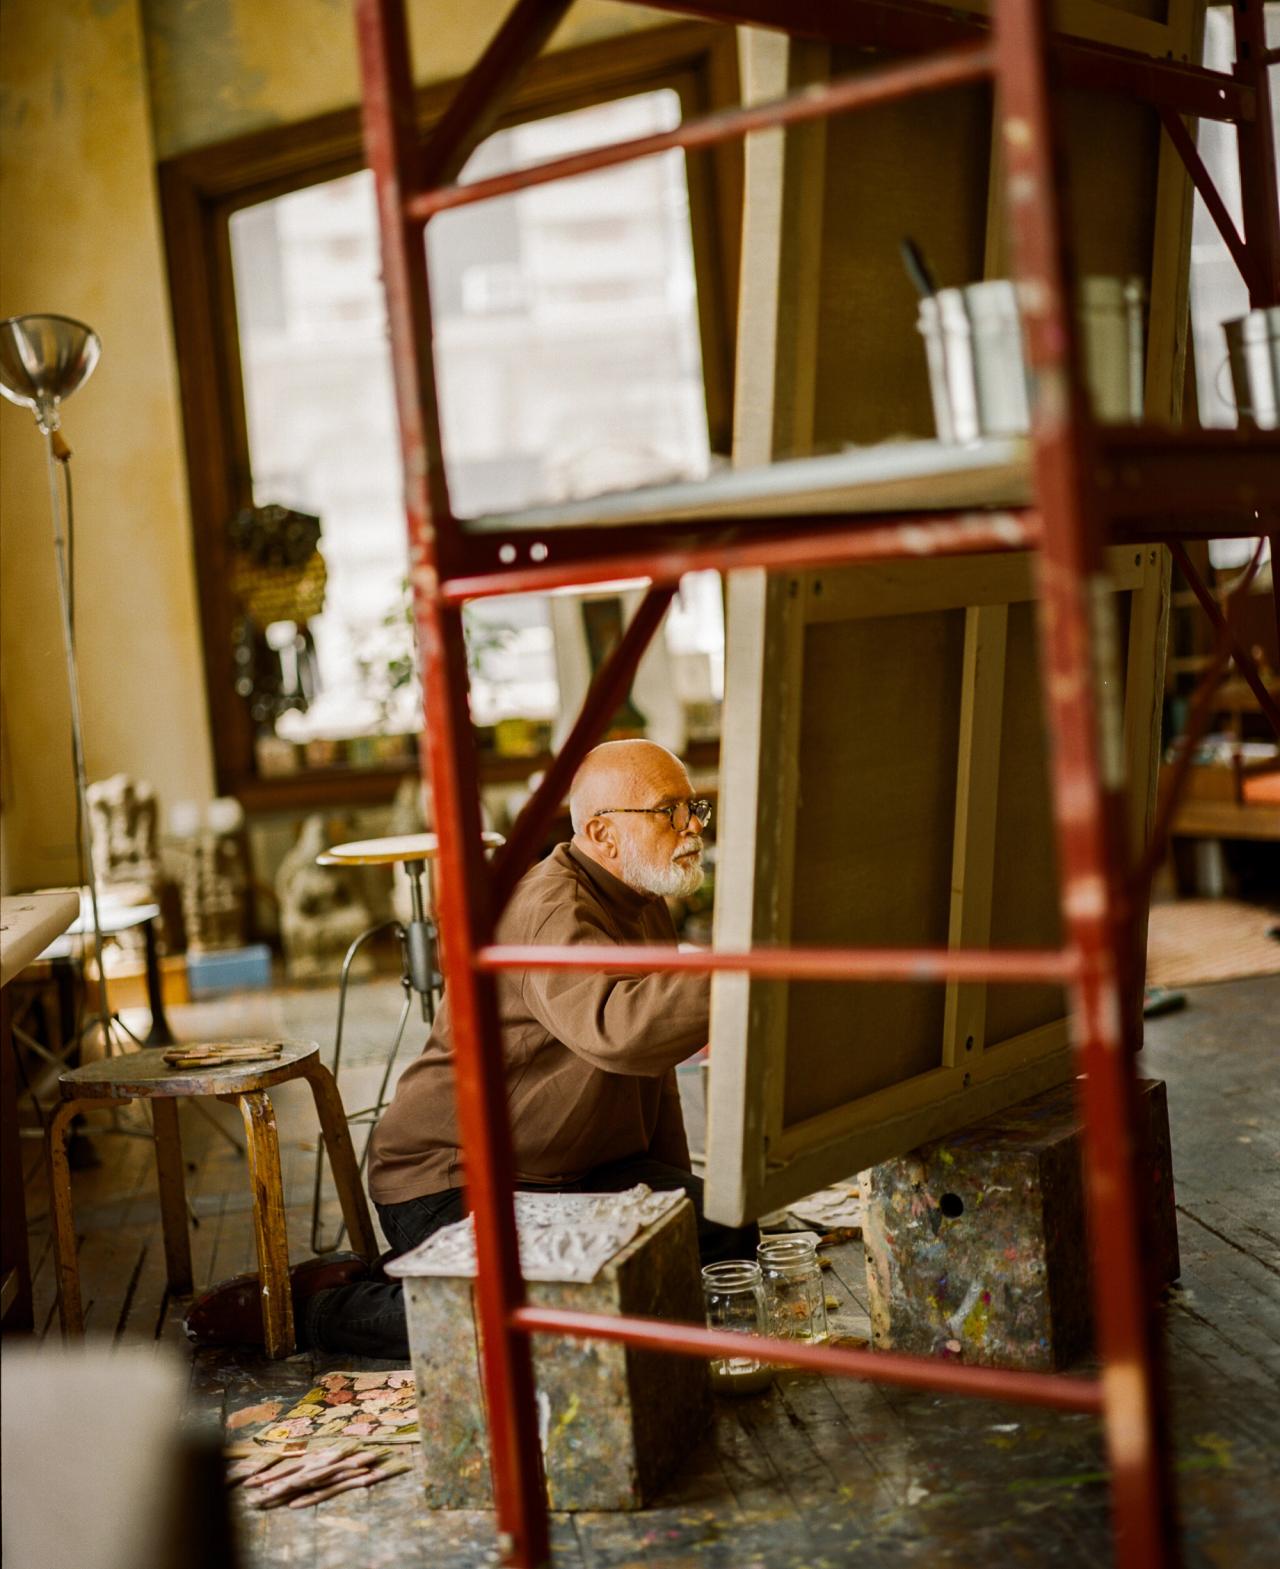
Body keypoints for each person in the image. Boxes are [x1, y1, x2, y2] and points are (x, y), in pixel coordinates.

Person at [186, 739, 756, 1359]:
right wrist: (741, 968)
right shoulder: (549, 909)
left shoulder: (643, 902)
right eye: (669, 810)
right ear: (603, 832)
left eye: (694, 807)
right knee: (541, 1320)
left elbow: (654, 1068)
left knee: (727, 1232)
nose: (694, 826)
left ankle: (412, 1276)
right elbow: (620, 1031)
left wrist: (673, 1194)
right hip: (455, 1182)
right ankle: (318, 1311)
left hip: (577, 1174)